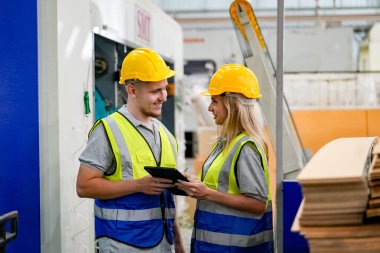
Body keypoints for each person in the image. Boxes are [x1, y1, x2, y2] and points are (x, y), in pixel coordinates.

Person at [76, 48, 185, 253]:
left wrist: (178, 243)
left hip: (163, 244)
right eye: (155, 91)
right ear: (132, 90)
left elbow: (167, 199)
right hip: (123, 244)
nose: (163, 97)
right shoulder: (108, 130)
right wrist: (137, 185)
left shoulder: (166, 135)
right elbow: (84, 186)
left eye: (164, 88)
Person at [176, 64, 274, 252]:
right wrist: (195, 184)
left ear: (232, 104)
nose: (210, 108)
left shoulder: (246, 147)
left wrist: (207, 193)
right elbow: (222, 186)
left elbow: (257, 204)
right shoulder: (225, 143)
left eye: (214, 101)